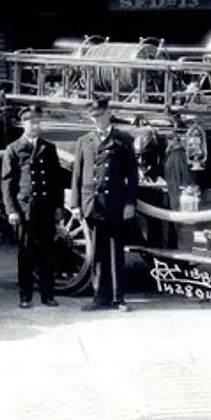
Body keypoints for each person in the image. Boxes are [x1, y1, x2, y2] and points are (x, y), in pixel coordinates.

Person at [69, 97, 140, 312]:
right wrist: (75, 204)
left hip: (115, 204)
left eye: (100, 116)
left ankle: (119, 298)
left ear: (109, 114)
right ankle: (100, 297)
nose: (97, 121)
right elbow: (77, 175)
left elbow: (132, 176)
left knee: (116, 252)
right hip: (93, 204)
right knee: (98, 254)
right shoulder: (84, 141)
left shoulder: (123, 140)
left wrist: (130, 203)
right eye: (94, 117)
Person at [1, 104, 64, 309]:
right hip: (25, 210)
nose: (35, 126)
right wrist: (11, 210)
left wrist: (58, 206)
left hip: (45, 208)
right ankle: (25, 295)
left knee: (48, 252)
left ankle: (48, 295)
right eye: (31, 122)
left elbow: (56, 180)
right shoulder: (14, 149)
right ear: (23, 124)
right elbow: (7, 183)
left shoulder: (49, 148)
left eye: (38, 122)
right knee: (26, 253)